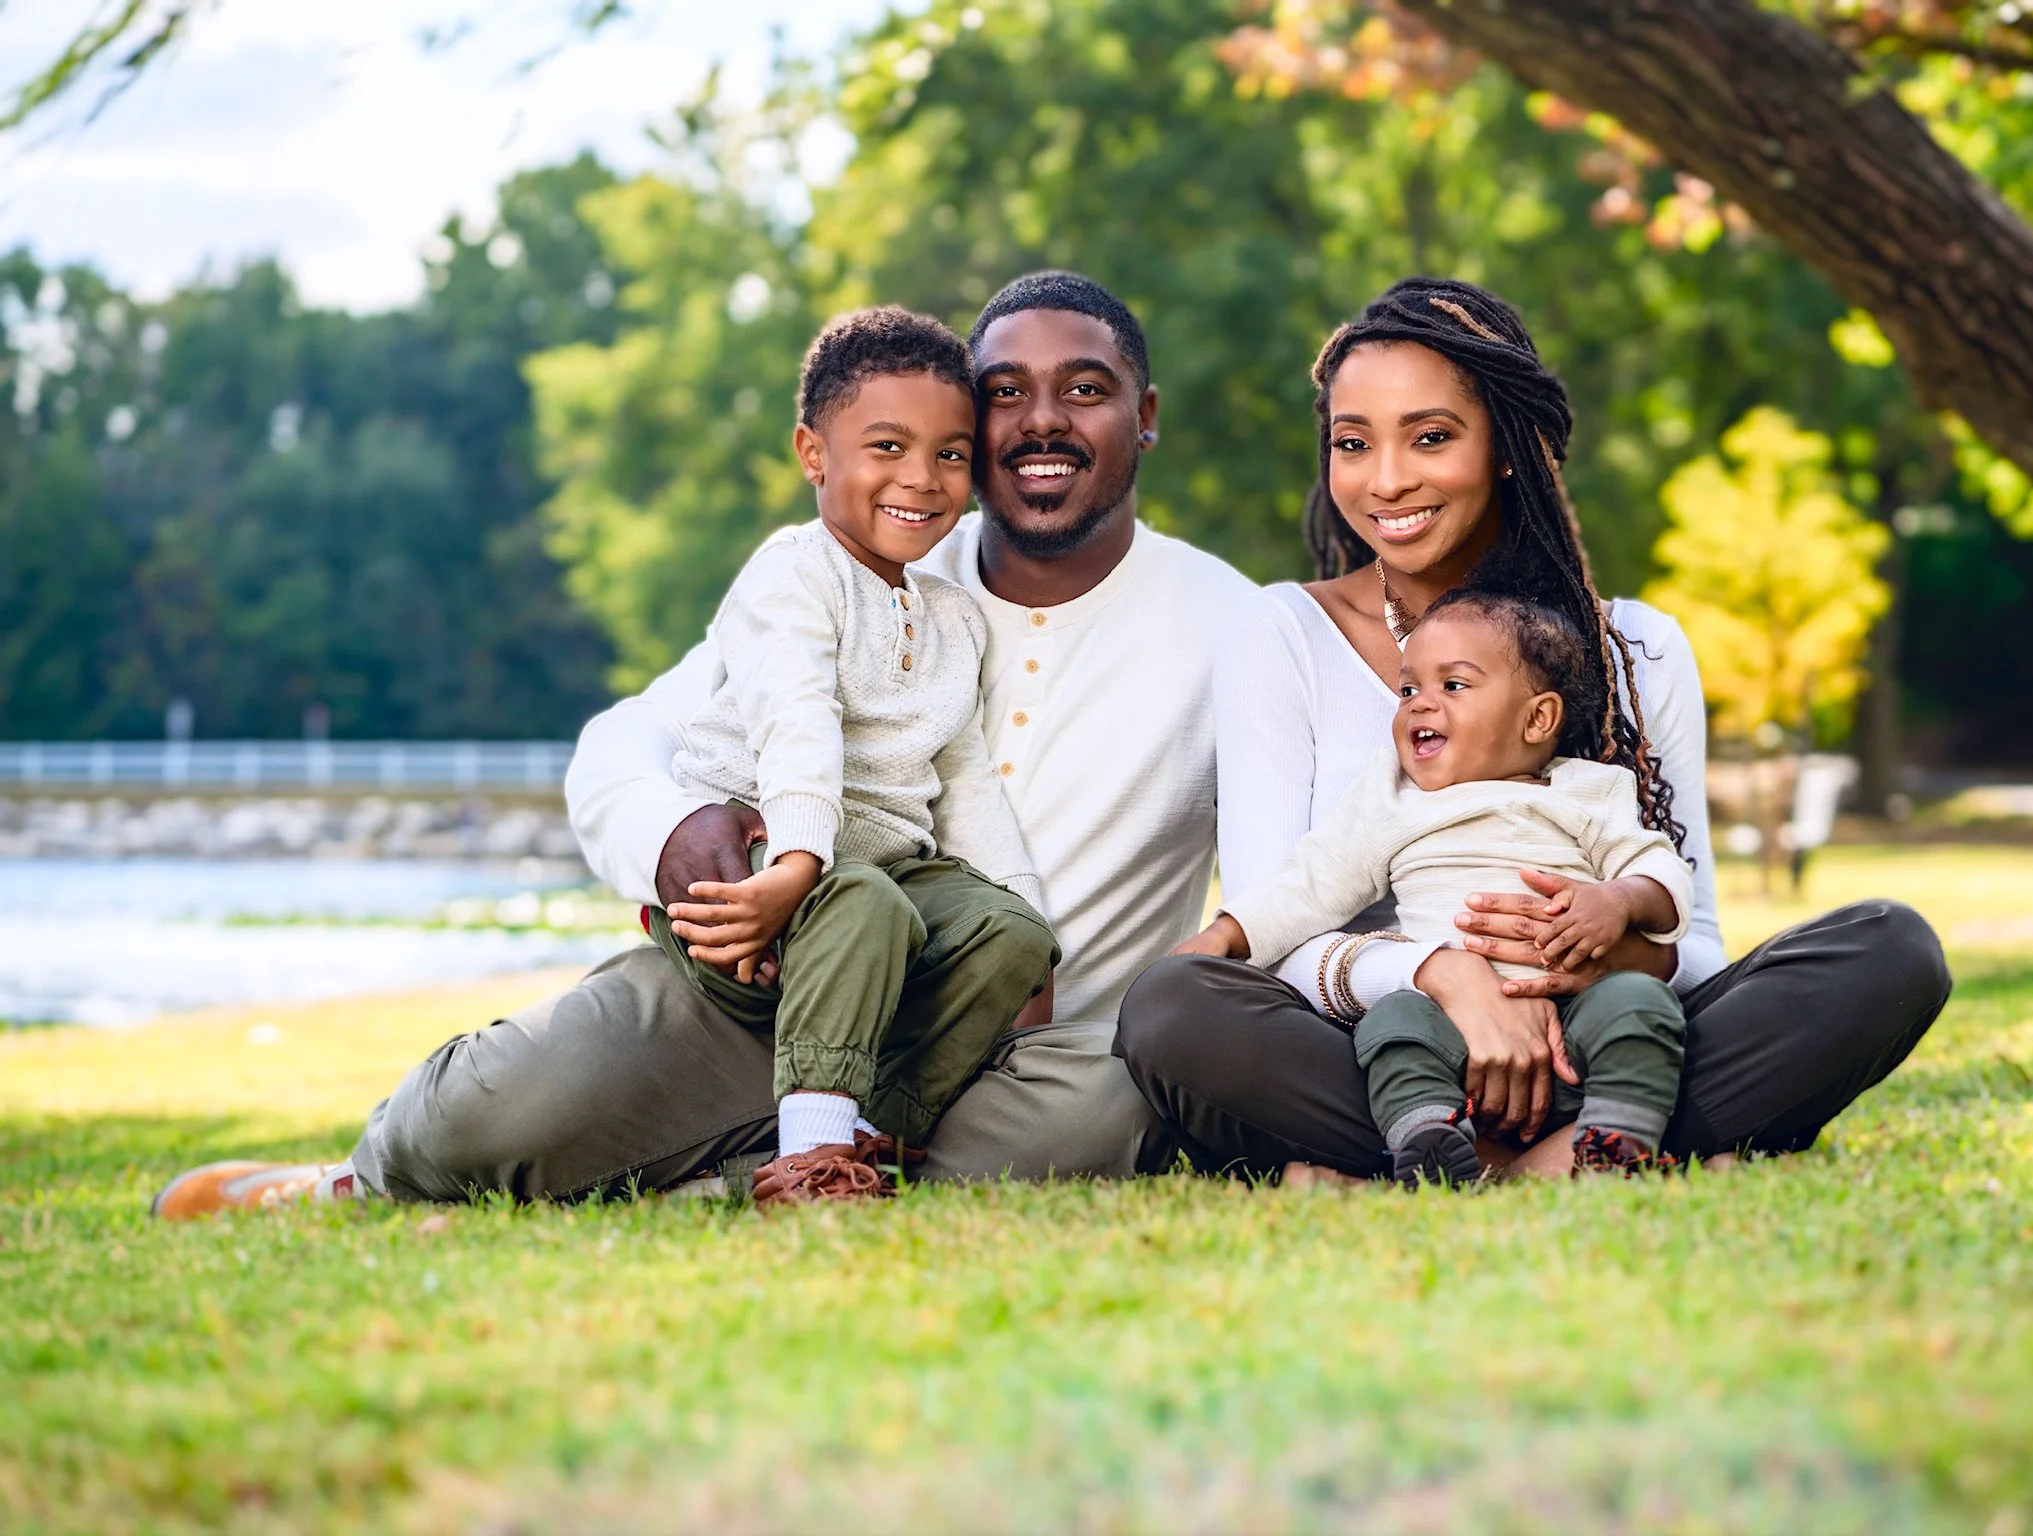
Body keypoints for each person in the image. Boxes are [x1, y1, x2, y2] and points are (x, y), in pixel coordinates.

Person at [152, 272, 1254, 1218]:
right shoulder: (853, 567)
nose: (1042, 421)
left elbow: (1304, 875)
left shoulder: (1236, 627)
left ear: (1145, 415)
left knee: (1111, 1103)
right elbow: (622, 743)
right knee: (486, 1116)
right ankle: (353, 1184)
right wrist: (677, 827)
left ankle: (779, 1174)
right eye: (1005, 393)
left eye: (1086, 390)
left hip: (1006, 1055)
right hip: (760, 986)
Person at [1115, 277, 1952, 1181]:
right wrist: (1446, 976)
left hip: (1613, 1038)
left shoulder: (1637, 650)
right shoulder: (1282, 633)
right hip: (1387, 1062)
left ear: (1509, 449)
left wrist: (1587, 953)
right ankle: (1571, 1158)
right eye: (1352, 444)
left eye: (1431, 437)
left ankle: (1482, 1163)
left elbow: (1695, 944)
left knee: (1890, 948)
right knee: (1172, 1009)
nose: (1386, 479)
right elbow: (1280, 936)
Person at [650, 306, 1057, 1204]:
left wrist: (1031, 937)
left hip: (881, 874)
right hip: (752, 876)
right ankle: (806, 1160)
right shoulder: (792, 573)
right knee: (864, 901)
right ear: (813, 454)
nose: (922, 478)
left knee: (1013, 933)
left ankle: (864, 1139)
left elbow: (963, 776)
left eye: (951, 454)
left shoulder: (951, 618)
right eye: (886, 447)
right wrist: (796, 866)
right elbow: (798, 720)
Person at [1171, 588, 1693, 1185]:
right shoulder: (1393, 794)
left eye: (1454, 686)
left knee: (1643, 1006)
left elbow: (1662, 872)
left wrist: (1618, 901)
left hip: (1578, 1018)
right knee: (1391, 1023)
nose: (1420, 706)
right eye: (1409, 689)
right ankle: (1428, 1137)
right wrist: (1224, 937)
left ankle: (1615, 1138)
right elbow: (1310, 883)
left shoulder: (1588, 791)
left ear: (1537, 719)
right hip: (1446, 1021)